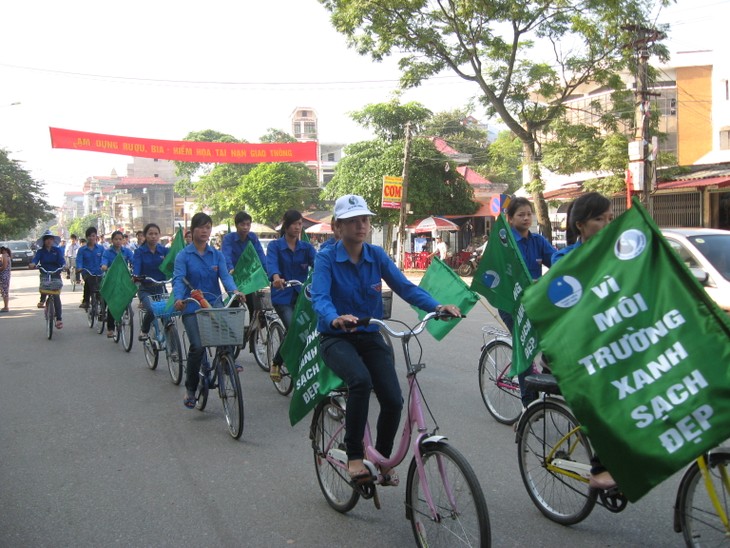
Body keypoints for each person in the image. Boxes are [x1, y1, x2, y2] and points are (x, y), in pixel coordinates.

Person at [312, 195, 461, 484]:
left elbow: (405, 287)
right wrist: (334, 317)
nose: (361, 225)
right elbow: (320, 297)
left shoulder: (376, 255)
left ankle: (381, 457)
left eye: (364, 219)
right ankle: (355, 455)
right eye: (353, 220)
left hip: (369, 336)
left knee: (393, 399)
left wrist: (436, 307)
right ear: (337, 227)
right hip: (336, 338)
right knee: (360, 381)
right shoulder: (326, 258)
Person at [551, 191, 615, 490]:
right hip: (576, 349)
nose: (607, 224)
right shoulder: (565, 259)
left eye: (610, 218)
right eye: (600, 219)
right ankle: (602, 466)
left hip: (611, 341)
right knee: (601, 398)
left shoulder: (619, 253)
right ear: (581, 225)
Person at [173, 212, 241, 409]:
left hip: (214, 304)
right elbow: (179, 279)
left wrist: (235, 291)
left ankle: (227, 361)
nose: (205, 231)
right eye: (201, 227)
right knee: (197, 346)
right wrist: (178, 298)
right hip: (191, 307)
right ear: (192, 230)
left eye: (208, 227)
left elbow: (226, 278)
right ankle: (191, 390)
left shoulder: (216, 255)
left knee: (228, 334)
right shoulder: (183, 256)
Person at [497, 197, 557, 407]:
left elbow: (556, 261)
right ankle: (528, 407)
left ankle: (549, 384)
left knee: (555, 338)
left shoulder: (538, 241)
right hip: (510, 305)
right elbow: (501, 275)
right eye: (521, 214)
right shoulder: (504, 244)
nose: (526, 218)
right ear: (510, 218)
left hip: (534, 301)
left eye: (529, 214)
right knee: (525, 348)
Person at [266, 209, 317, 382]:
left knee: (311, 330)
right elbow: (271, 264)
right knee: (293, 327)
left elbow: (318, 265)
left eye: (300, 224)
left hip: (303, 296)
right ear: (286, 225)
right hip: (282, 295)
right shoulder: (275, 246)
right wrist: (276, 277)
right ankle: (277, 362)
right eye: (294, 224)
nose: (297, 227)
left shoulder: (306, 247)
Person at [221, 211, 267, 366]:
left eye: (248, 224)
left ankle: (254, 339)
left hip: (250, 279)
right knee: (232, 311)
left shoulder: (252, 237)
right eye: (242, 224)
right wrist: (230, 269)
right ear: (236, 225)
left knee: (258, 309)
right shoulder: (228, 239)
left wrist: (269, 273)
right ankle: (229, 344)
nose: (246, 227)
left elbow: (260, 255)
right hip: (234, 279)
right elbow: (225, 256)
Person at [133, 223, 169, 342]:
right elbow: (137, 266)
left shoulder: (164, 250)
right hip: (145, 289)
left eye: (156, 234)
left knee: (167, 315)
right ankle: (144, 330)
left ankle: (173, 349)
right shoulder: (139, 252)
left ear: (159, 235)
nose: (153, 236)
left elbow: (173, 261)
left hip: (160, 288)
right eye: (150, 234)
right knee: (152, 309)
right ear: (145, 236)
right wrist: (136, 276)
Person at [101, 230, 134, 337]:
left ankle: (126, 310)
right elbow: (104, 262)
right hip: (111, 280)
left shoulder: (127, 251)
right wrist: (105, 266)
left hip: (124, 279)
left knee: (130, 293)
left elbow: (134, 261)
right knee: (113, 303)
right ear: (112, 240)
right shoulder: (107, 252)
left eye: (120, 239)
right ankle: (110, 328)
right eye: (116, 239)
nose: (118, 241)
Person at [30, 232, 65, 328]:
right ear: (44, 241)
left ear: (53, 240)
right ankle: (42, 299)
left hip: (56, 273)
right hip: (45, 272)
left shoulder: (57, 250)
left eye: (51, 239)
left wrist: (64, 265)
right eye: (47, 239)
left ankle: (59, 319)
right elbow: (36, 259)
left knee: (56, 295)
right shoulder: (40, 251)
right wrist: (33, 264)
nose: (49, 241)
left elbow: (61, 260)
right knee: (44, 285)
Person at [76, 227, 104, 310]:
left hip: (99, 272)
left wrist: (105, 265)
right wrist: (79, 268)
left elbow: (105, 258)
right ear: (86, 237)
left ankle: (102, 310)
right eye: (89, 236)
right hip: (87, 272)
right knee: (88, 282)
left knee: (102, 289)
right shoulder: (82, 250)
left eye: (93, 236)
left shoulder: (101, 248)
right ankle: (86, 301)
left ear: (96, 237)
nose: (91, 238)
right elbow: (79, 260)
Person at [0, 245, 11, 312]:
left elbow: (4, 267)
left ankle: (6, 307)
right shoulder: (7, 255)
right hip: (6, 276)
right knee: (5, 291)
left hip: (3, 276)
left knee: (4, 291)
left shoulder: (4, 256)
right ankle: (6, 306)